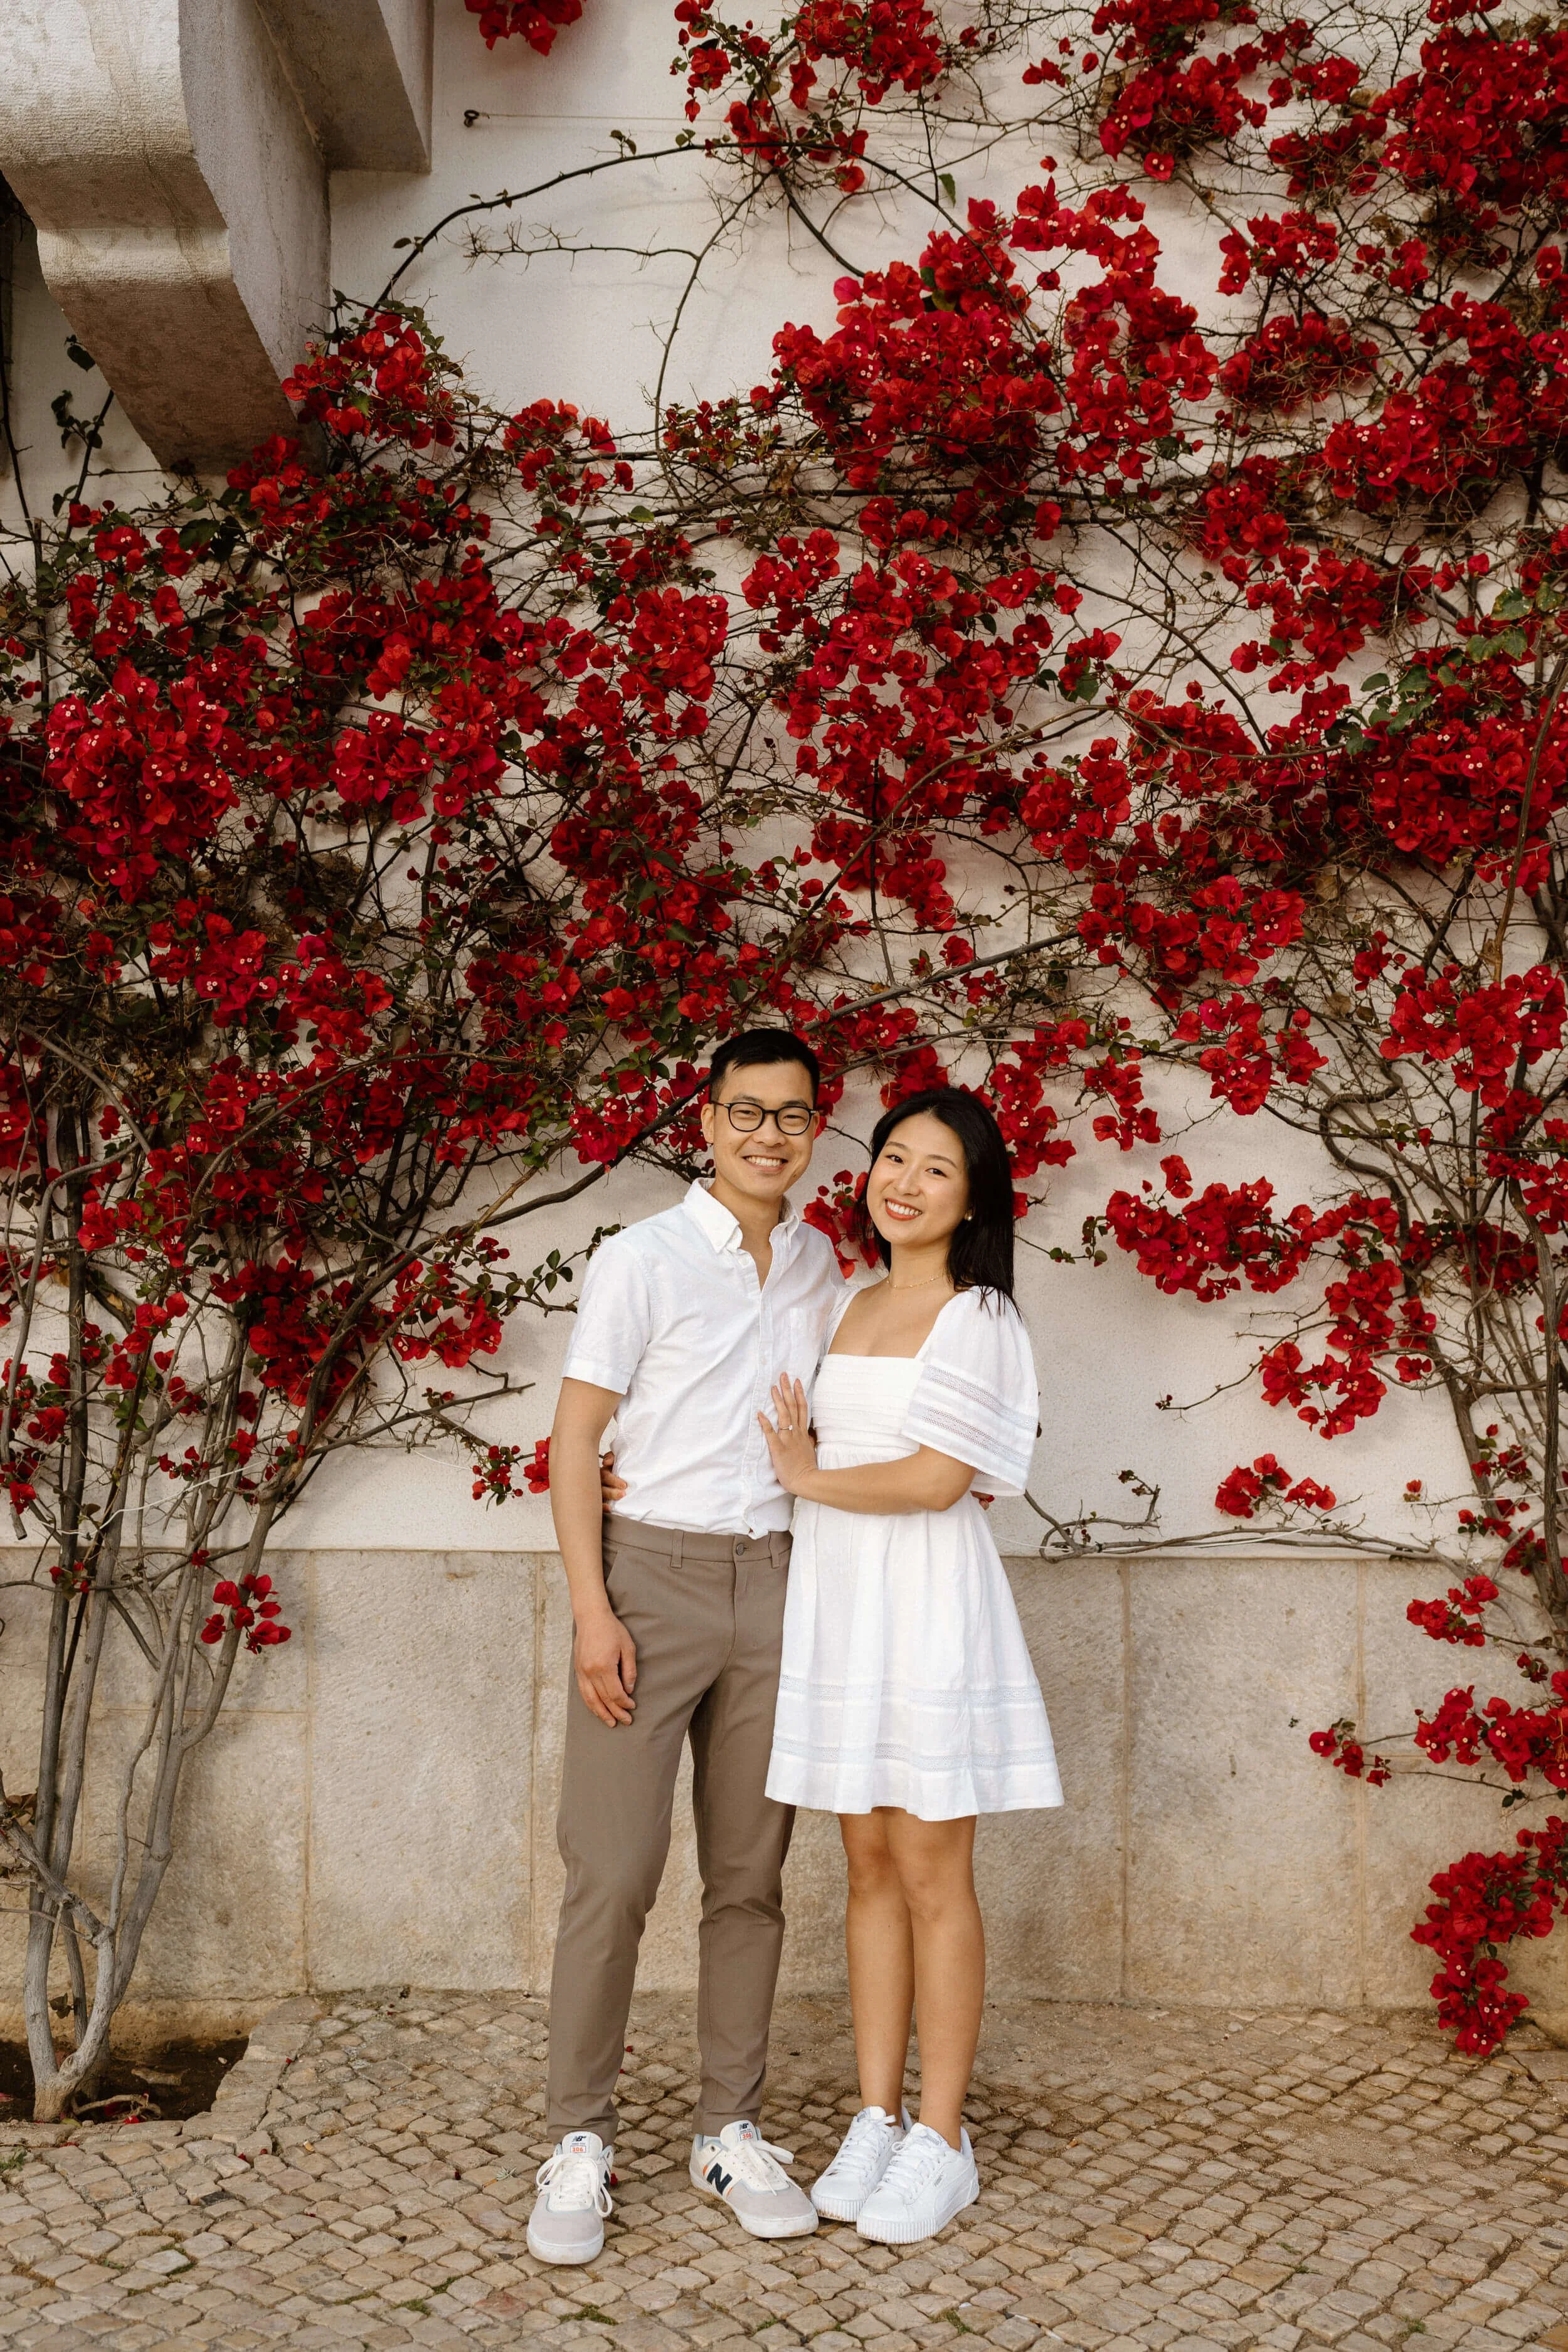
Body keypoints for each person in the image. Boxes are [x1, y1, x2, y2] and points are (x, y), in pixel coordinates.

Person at [527, 1029, 845, 2265]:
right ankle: (577, 2141)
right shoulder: (640, 1259)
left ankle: (727, 2128)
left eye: (793, 1116)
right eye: (745, 1112)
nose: (769, 1135)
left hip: (777, 1585)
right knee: (609, 1872)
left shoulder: (823, 1266)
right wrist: (592, 1606)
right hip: (648, 1579)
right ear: (704, 1123)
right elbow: (572, 1443)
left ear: (816, 1131)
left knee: (749, 1881)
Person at [758, 1086, 1061, 2247]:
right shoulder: (847, 1300)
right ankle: (875, 2113)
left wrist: (807, 1475)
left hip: (927, 1604)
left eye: (937, 1167)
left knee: (935, 1866)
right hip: (844, 1606)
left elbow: (940, 1480)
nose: (906, 1180)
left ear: (974, 1195)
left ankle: (943, 2136)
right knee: (868, 1863)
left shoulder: (979, 1315)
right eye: (893, 1157)